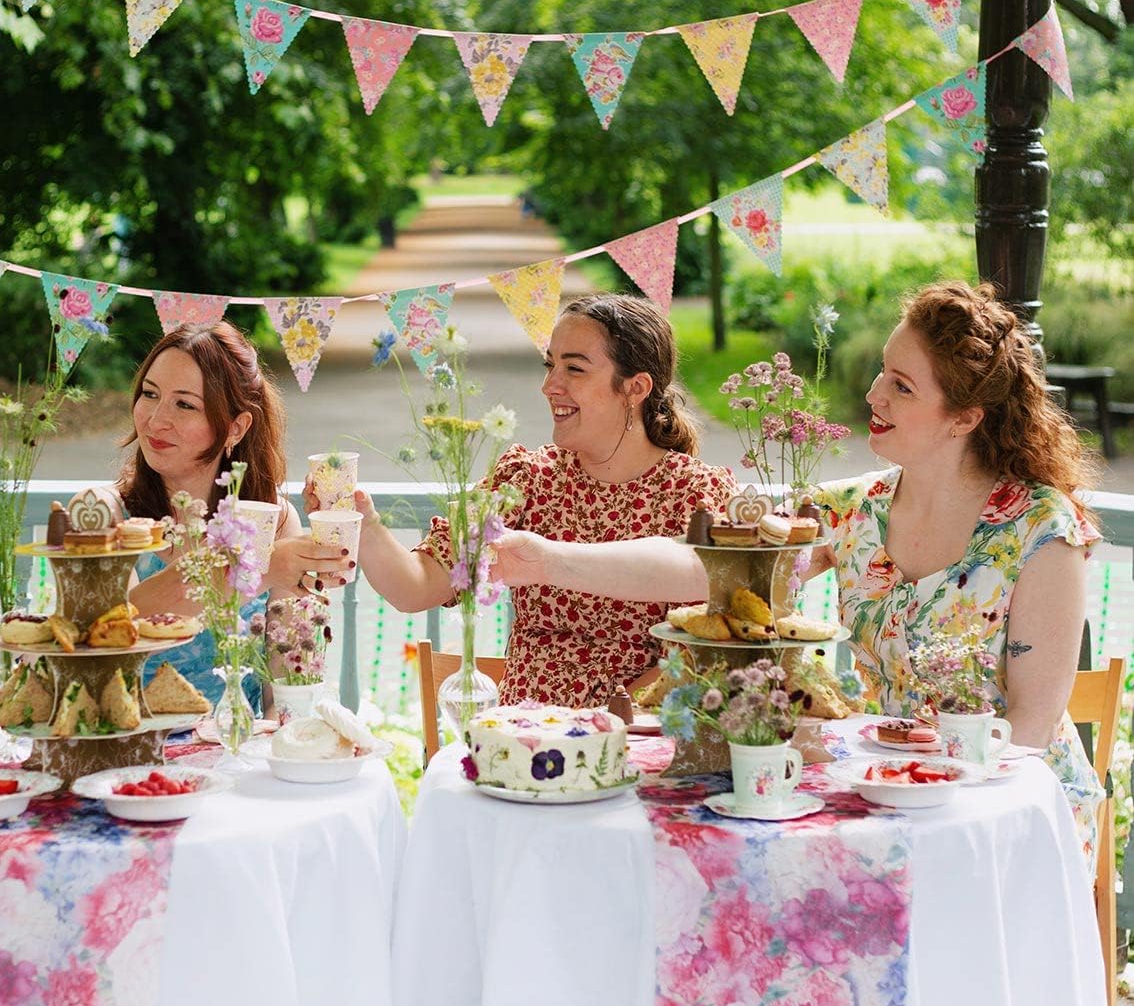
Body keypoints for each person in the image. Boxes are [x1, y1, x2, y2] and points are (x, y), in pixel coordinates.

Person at [489, 282, 1105, 866]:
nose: (873, 395)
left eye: (902, 386)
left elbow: (1028, 728)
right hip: (884, 794)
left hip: (1007, 810)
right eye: (880, 373)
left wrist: (939, 806)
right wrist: (549, 559)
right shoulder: (852, 510)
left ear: (964, 418)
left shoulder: (1042, 528)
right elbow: (709, 571)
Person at [314, 294, 737, 708]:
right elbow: (414, 587)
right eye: (550, 365)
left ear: (635, 387)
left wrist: (596, 724)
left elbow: (700, 652)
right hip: (519, 739)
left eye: (574, 368)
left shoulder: (694, 496)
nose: (550, 386)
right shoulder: (526, 480)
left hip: (637, 737)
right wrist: (363, 520)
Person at [116, 322, 350, 706]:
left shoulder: (276, 520)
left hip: (241, 753)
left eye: (185, 404)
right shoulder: (106, 514)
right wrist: (257, 567)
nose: (156, 420)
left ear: (236, 427)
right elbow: (113, 628)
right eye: (149, 393)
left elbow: (289, 687)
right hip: (132, 754)